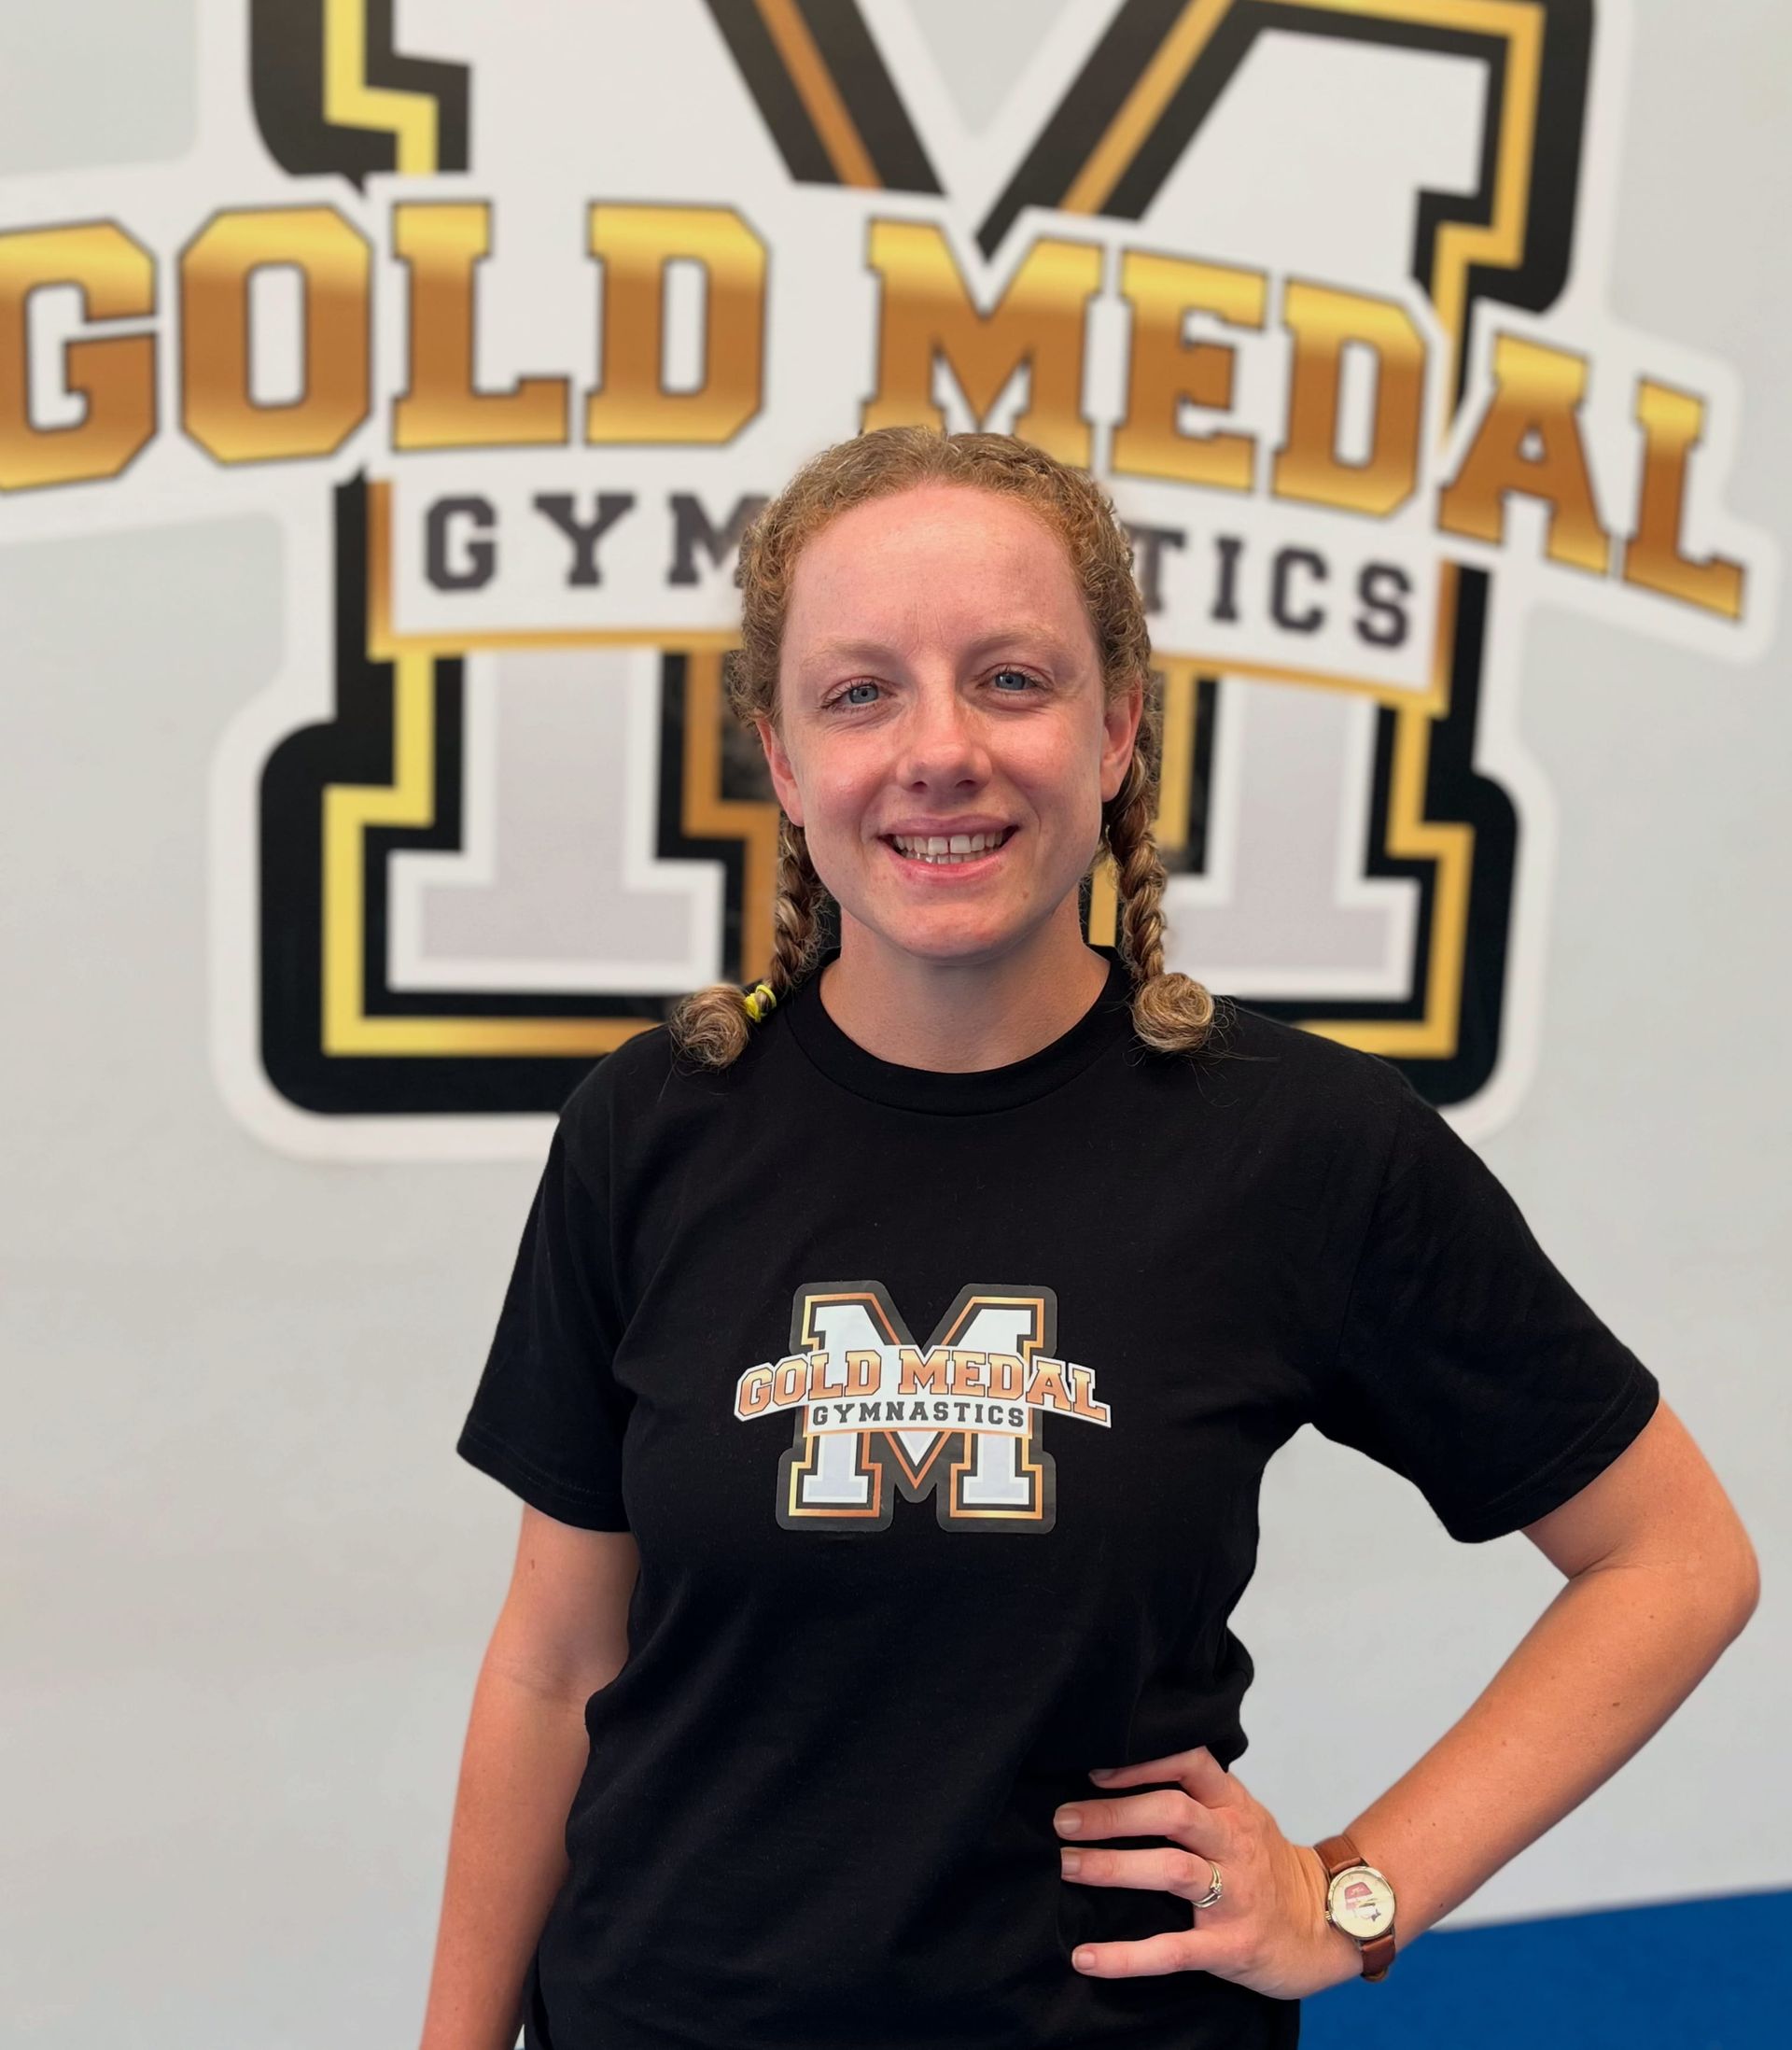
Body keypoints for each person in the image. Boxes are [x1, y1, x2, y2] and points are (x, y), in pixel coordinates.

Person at [420, 428, 1759, 2050]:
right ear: (781, 761)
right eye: (859, 694)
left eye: (1010, 679)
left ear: (1116, 726)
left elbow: (1674, 1560)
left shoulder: (1302, 1145)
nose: (938, 751)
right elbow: (553, 1669)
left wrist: (1354, 1891)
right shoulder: (649, 1130)